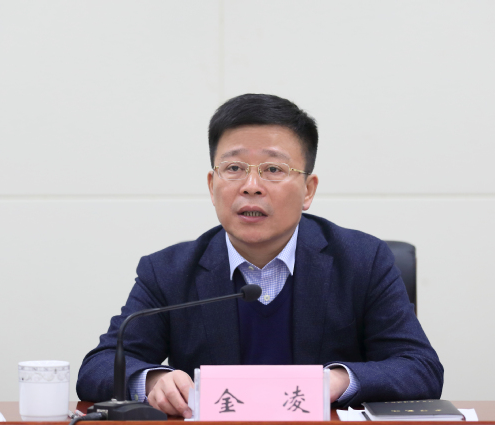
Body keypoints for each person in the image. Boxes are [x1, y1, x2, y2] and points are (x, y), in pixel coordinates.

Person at [76, 94, 443, 417]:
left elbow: (420, 368)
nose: (251, 187)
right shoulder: (168, 271)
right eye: (234, 168)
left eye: (273, 169)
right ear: (212, 185)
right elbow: (98, 367)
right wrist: (154, 380)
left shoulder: (363, 260)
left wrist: (336, 381)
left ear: (308, 190)